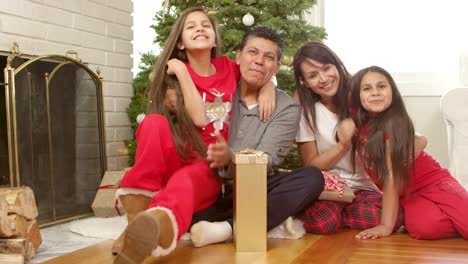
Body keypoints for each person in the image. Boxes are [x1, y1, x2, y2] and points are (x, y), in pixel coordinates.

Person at [113, 7, 274, 263]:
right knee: (153, 123)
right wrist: (181, 72)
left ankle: (153, 227)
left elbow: (255, 72)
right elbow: (197, 118)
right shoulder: (171, 80)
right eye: (191, 26)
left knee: (184, 182)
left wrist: (268, 89)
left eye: (205, 25)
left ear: (214, 38)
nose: (200, 28)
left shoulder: (227, 68)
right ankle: (136, 222)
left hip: (206, 166)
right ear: (180, 42)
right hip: (176, 156)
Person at [188, 26, 325, 247]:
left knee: (312, 177)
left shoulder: (287, 108)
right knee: (187, 206)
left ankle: (228, 229)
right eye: (253, 52)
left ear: (277, 67)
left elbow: (266, 161)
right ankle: (250, 221)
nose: (259, 61)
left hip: (254, 189)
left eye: (268, 57)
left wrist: (230, 158)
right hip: (209, 187)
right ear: (238, 57)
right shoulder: (217, 89)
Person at [293, 42, 407, 235]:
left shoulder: (363, 95)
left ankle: (339, 216)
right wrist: (343, 145)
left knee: (395, 217)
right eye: (313, 75)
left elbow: (403, 136)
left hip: (366, 189)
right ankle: (334, 215)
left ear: (337, 65)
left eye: (327, 68)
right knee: (323, 223)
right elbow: (311, 165)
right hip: (330, 188)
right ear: (304, 82)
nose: (323, 79)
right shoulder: (306, 109)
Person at [349, 65, 468, 240]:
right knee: (422, 229)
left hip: (435, 183)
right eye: (367, 88)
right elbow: (340, 83)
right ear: (356, 97)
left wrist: (385, 226)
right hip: (409, 195)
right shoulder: (358, 122)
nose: (375, 92)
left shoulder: (394, 125)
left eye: (381, 86)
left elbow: (391, 179)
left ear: (393, 92)